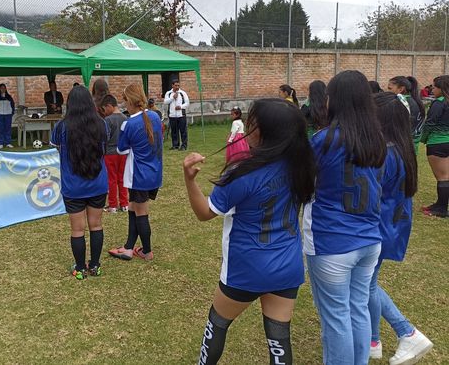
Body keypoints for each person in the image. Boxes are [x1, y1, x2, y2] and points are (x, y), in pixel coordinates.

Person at [182, 98, 316, 365]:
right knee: (279, 340)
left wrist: (189, 179)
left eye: (251, 122)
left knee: (217, 324)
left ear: (263, 132)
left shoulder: (242, 172)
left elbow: (204, 213)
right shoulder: (302, 167)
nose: (246, 127)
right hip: (286, 266)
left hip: (246, 268)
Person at [303, 70, 386, 365]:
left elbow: (303, 184)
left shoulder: (323, 140)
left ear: (335, 100)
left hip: (332, 242)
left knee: (337, 317)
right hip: (369, 240)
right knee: (357, 309)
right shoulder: (377, 139)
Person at [369, 92, 433, 364]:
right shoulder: (401, 148)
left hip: (380, 227)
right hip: (392, 225)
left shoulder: (385, 154)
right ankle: (372, 340)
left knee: (367, 285)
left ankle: (406, 332)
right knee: (368, 284)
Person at [51, 85, 108, 279]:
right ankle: (95, 265)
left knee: (77, 229)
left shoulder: (61, 127)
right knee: (96, 225)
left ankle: (80, 269)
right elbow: (104, 147)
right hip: (97, 183)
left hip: (73, 185)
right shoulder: (102, 124)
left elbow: (57, 148)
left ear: (69, 104)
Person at [108, 84, 163, 261]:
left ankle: (146, 251)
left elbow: (121, 149)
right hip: (154, 171)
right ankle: (128, 247)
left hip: (139, 175)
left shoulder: (129, 123)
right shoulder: (155, 116)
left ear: (130, 101)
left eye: (125, 101)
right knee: (133, 206)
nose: (124, 105)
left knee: (141, 211)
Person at [420, 75, 449, 218]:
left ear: (442, 89)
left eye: (435, 87)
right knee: (445, 175)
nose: (432, 90)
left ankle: (441, 208)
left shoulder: (439, 103)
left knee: (442, 177)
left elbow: (430, 123)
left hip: (437, 142)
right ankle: (439, 204)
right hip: (447, 141)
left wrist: (423, 138)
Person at [101, 94, 129, 213]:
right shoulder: (125, 118)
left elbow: (105, 137)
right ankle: (124, 204)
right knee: (122, 178)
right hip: (123, 153)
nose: (104, 112)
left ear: (109, 106)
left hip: (110, 153)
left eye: (104, 109)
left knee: (111, 179)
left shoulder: (108, 120)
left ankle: (113, 205)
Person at [387, 76, 426, 152]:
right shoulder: (415, 101)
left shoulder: (400, 102)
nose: (387, 91)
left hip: (401, 145)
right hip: (413, 144)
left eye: (390, 88)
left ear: (401, 89)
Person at [164, 79, 189, 150]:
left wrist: (181, 107)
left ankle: (184, 146)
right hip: (172, 115)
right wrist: (172, 98)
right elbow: (165, 102)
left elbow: (187, 103)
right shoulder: (168, 93)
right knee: (174, 131)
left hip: (181, 115)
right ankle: (175, 145)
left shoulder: (183, 93)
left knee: (183, 131)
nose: (177, 87)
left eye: (178, 85)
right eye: (176, 85)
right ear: (172, 85)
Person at [0, 83, 15, 149]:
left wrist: (12, 112)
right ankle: (1, 143)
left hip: (8, 115)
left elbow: (12, 105)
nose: (3, 89)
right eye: (1, 88)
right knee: (0, 129)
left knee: (8, 129)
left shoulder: (9, 97)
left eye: (4, 88)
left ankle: (8, 143)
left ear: (6, 89)